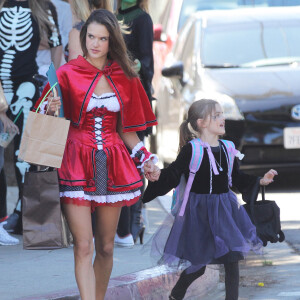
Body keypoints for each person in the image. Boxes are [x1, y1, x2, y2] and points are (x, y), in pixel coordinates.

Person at [34, 9, 157, 300]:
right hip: (74, 162)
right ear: (84, 35)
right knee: (84, 245)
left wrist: (145, 157)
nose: (95, 43)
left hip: (111, 164)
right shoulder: (66, 73)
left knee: (106, 247)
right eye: (91, 36)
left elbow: (127, 131)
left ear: (112, 40)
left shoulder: (125, 76)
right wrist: (48, 109)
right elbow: (45, 120)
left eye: (102, 38)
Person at [143, 99, 278, 300]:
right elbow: (173, 174)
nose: (222, 118)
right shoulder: (192, 149)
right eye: (216, 115)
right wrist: (157, 175)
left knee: (232, 259)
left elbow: (237, 178)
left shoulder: (227, 148)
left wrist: (260, 181)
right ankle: (176, 294)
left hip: (225, 211)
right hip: (198, 214)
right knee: (198, 265)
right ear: (201, 123)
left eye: (222, 114)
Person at [0, 0, 62, 234]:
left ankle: (21, 210)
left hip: (25, 87)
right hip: (0, 86)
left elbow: (56, 44)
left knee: (22, 153)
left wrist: (52, 84)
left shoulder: (43, 7)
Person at [115, 0, 154, 247]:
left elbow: (146, 61)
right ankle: (121, 223)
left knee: (135, 159)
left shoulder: (142, 18)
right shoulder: (111, 14)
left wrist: (132, 67)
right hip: (111, 95)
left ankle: (134, 220)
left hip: (134, 95)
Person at [36, 0, 72, 76]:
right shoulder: (26, 6)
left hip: (55, 67)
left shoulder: (65, 8)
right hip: (29, 66)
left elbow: (67, 41)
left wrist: (37, 41)